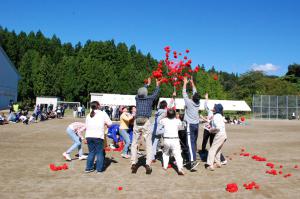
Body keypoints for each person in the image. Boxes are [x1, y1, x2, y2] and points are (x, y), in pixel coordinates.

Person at [131, 77, 160, 175]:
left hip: (137, 121)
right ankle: (148, 164)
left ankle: (133, 163)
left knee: (134, 143)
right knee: (148, 144)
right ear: (146, 93)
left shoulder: (137, 98)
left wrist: (147, 84)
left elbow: (141, 92)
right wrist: (157, 85)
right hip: (146, 121)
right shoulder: (149, 99)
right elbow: (156, 94)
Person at [85, 101, 112, 173]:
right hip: (98, 135)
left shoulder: (88, 115)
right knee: (100, 152)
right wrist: (106, 124)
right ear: (98, 106)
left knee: (91, 152)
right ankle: (99, 169)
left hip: (89, 135)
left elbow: (86, 126)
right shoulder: (103, 113)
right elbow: (110, 123)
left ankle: (88, 168)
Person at [200, 93, 226, 164]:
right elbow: (205, 106)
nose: (213, 108)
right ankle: (203, 152)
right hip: (208, 128)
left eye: (214, 107)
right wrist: (206, 99)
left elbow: (217, 125)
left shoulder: (218, 115)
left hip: (214, 130)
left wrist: (203, 118)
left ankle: (214, 157)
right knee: (204, 140)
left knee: (212, 142)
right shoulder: (210, 111)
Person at [182, 76, 200, 171]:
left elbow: (184, 93)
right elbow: (195, 91)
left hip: (190, 125)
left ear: (192, 97)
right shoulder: (198, 103)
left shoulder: (189, 102)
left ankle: (192, 162)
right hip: (197, 125)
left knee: (190, 143)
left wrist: (185, 82)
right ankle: (192, 157)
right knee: (193, 142)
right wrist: (192, 82)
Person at [160, 109, 185, 175]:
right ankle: (180, 168)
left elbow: (160, 121)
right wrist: (177, 118)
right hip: (175, 139)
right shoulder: (177, 121)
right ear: (174, 115)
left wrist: (165, 115)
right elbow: (181, 128)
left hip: (166, 139)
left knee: (165, 153)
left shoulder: (164, 120)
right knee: (178, 155)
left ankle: (165, 166)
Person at [206, 104, 227, 171]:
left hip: (219, 134)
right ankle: (218, 163)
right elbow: (213, 123)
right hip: (224, 135)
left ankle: (210, 165)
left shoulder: (216, 116)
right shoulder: (220, 116)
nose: (213, 108)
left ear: (217, 109)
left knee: (212, 150)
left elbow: (217, 128)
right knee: (218, 149)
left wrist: (211, 130)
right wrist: (206, 120)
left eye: (214, 107)